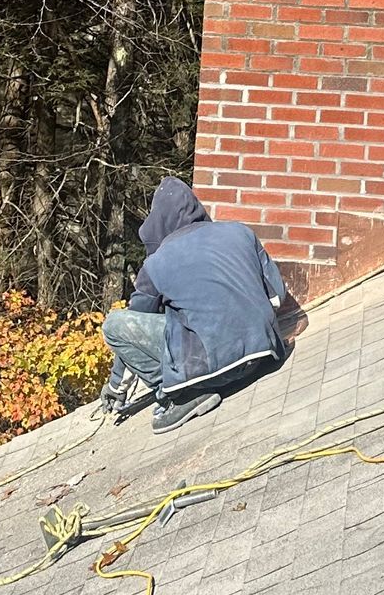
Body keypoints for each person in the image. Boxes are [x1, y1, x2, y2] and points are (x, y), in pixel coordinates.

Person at [98, 177, 293, 432]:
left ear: (159, 222)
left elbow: (133, 328)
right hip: (265, 355)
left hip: (212, 370)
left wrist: (115, 387)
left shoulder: (156, 264)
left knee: (113, 324)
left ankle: (180, 397)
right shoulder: (239, 231)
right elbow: (277, 295)